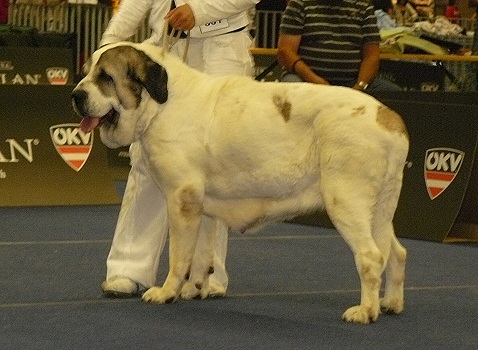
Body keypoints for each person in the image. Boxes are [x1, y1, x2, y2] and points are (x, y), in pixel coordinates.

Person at [100, 0, 260, 299]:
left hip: (222, 53)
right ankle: (129, 268)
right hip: (165, 49)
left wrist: (201, 11)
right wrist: (112, 41)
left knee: (215, 170)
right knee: (148, 160)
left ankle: (205, 273)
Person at [277, 0, 402, 91]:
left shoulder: (364, 6)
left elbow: (372, 55)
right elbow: (285, 52)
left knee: (393, 92)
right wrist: (313, 79)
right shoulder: (299, 4)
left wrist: (360, 86)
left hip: (352, 82)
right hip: (304, 79)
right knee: (293, 88)